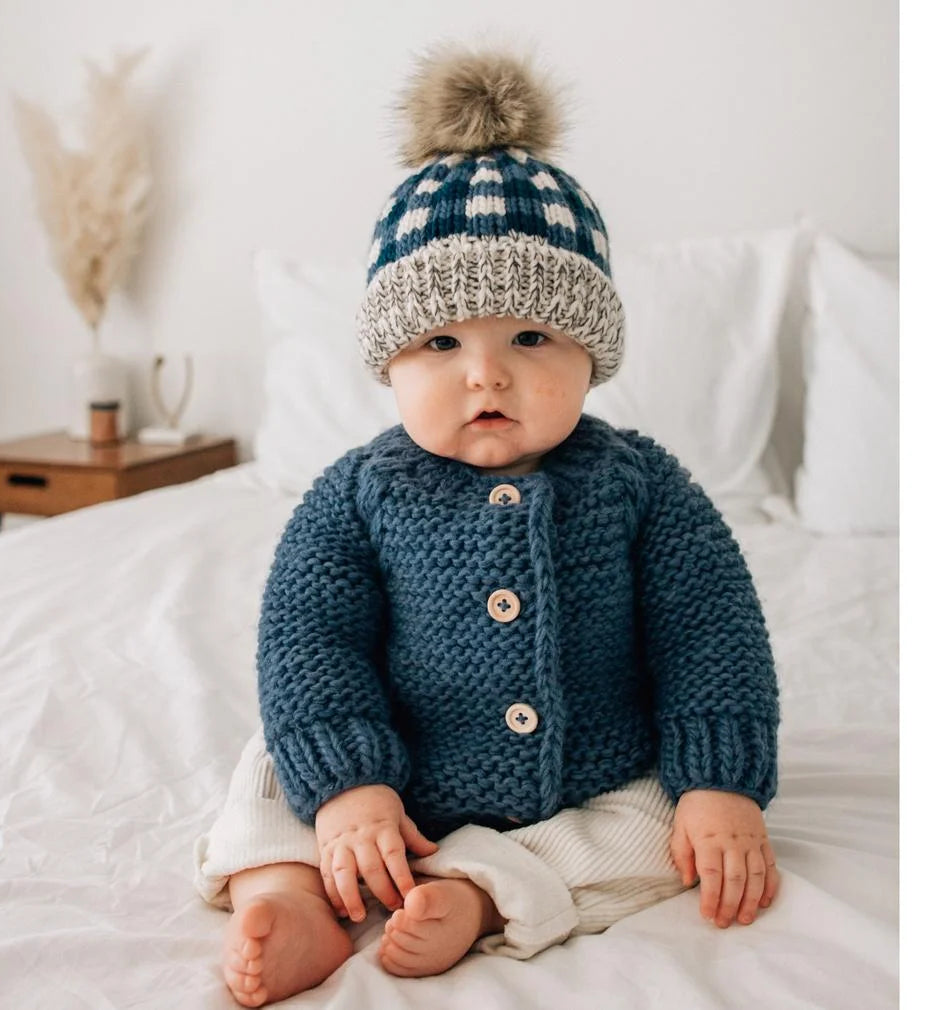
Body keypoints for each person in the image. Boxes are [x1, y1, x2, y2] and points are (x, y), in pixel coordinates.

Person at [193, 42, 781, 1007]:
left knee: (659, 829)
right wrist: (348, 780)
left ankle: (480, 892)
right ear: (390, 363)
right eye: (441, 343)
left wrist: (718, 781)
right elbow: (308, 638)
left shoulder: (644, 485)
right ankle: (291, 893)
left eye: (530, 337)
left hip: (590, 767)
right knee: (270, 766)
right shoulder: (354, 494)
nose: (485, 373)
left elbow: (710, 628)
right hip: (393, 767)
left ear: (593, 355)